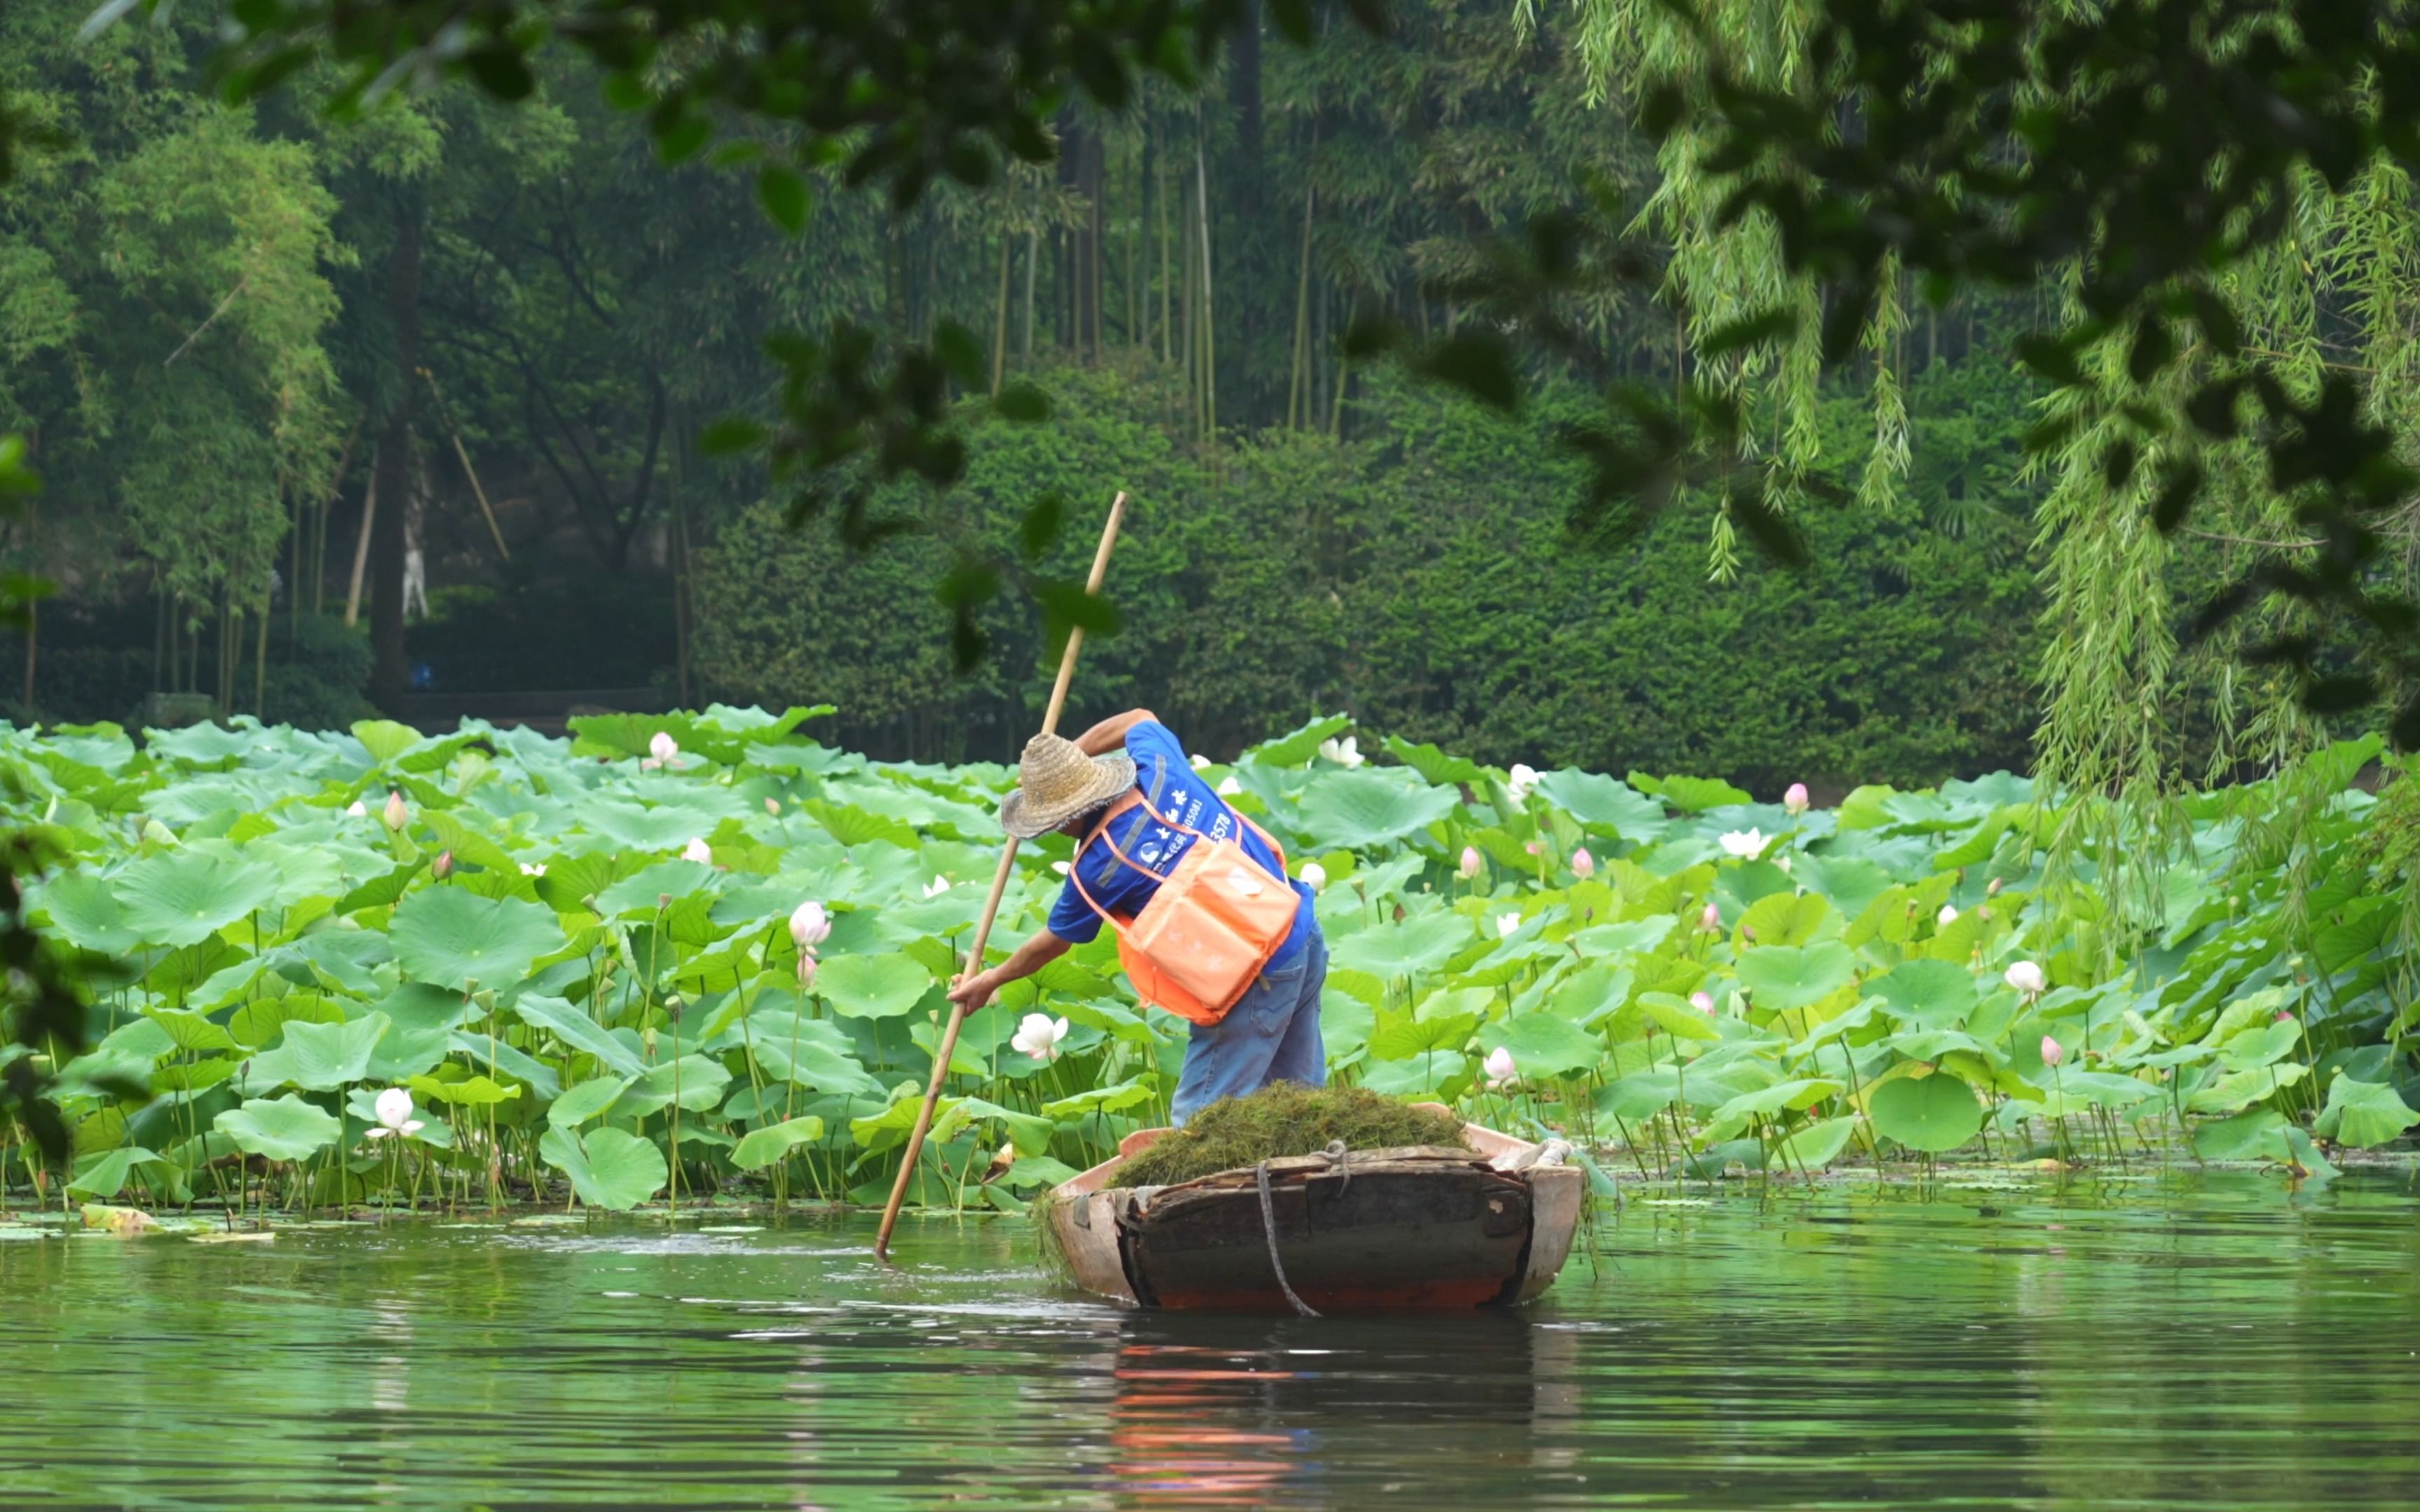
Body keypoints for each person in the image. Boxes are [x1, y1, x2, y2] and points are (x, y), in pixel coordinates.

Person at [944, 709, 1327, 1124]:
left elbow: (1054, 941)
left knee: (1200, 1121)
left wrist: (991, 979)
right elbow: (1139, 717)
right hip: (1299, 925)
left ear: (1066, 817)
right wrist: (1072, 757)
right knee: (1299, 1105)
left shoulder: (1100, 866)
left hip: (1256, 976)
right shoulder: (1160, 767)